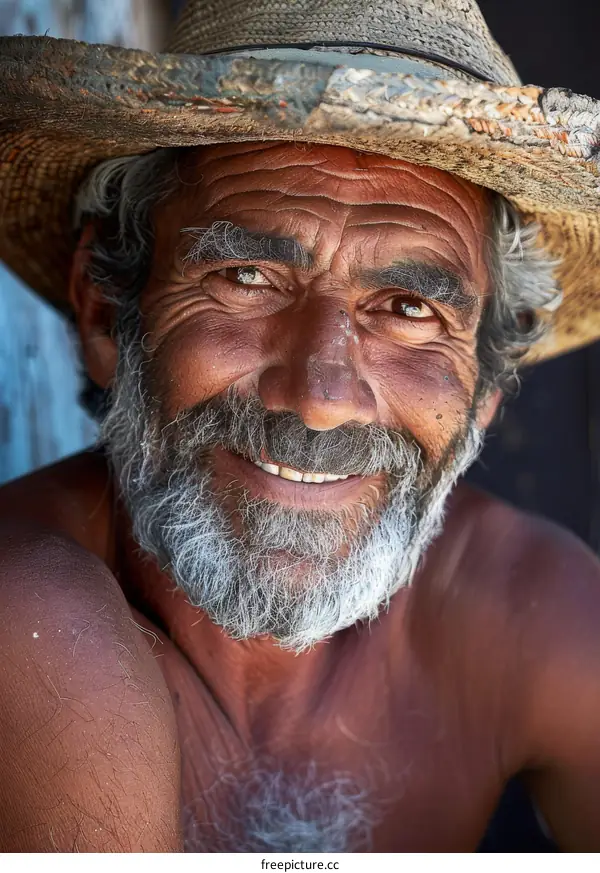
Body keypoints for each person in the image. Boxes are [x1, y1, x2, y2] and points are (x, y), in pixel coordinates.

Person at [1, 0, 600, 853]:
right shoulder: (30, 622)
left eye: (406, 307)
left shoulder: (535, 615)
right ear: (105, 316)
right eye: (247, 275)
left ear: (484, 390)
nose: (319, 396)